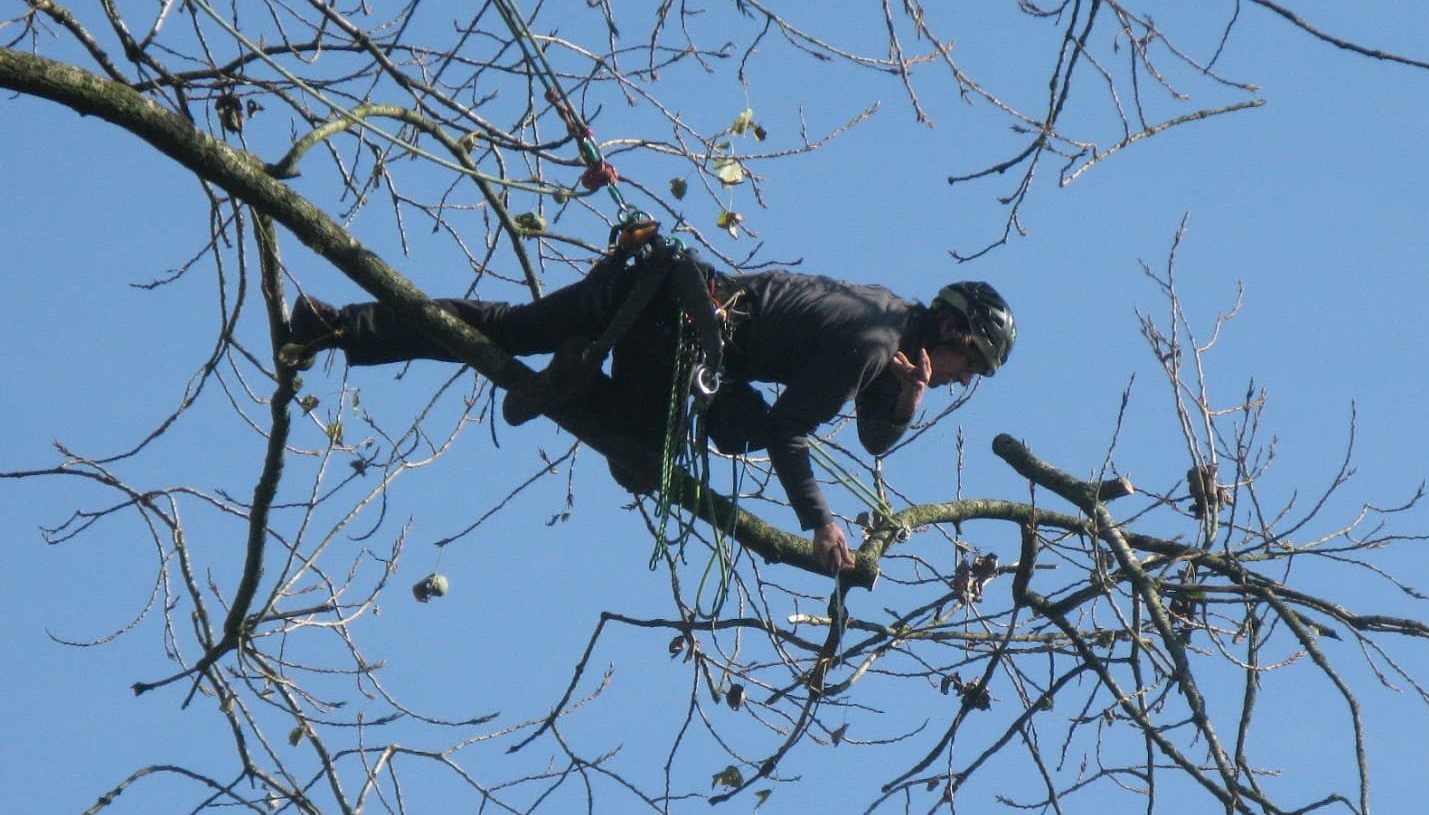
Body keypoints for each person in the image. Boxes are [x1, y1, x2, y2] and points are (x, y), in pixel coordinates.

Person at [283, 244, 1015, 573]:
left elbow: (874, 434)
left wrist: (912, 397)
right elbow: (794, 429)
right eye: (968, 365)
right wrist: (821, 522)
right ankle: (581, 387)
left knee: (504, 328)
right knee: (661, 452)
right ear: (952, 331)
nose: (962, 380)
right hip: (676, 331)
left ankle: (329, 324)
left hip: (657, 290)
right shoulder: (869, 337)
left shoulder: (888, 325)